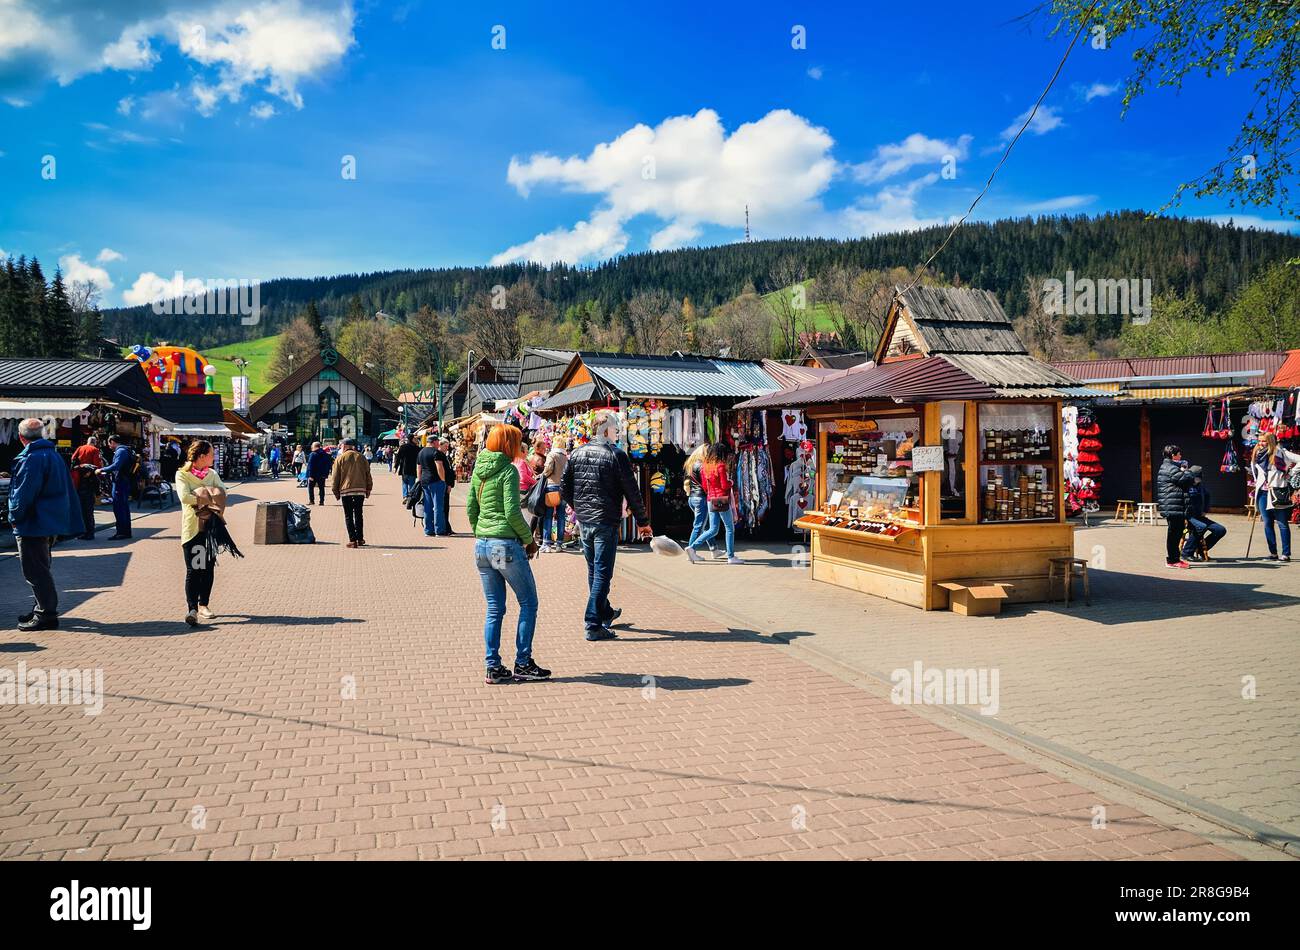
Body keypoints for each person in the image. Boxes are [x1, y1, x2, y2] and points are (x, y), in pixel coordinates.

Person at [466, 423, 549, 685]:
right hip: (504, 544)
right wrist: (529, 540)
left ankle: (493, 666)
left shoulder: (479, 470)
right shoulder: (508, 472)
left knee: (494, 608)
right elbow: (513, 512)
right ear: (507, 444)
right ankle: (523, 662)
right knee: (528, 603)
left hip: (483, 545)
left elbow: (471, 507)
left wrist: (481, 531)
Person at [560, 411, 652, 641]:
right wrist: (642, 522)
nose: (617, 433)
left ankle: (605, 612)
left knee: (594, 570)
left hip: (586, 520)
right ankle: (593, 623)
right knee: (602, 572)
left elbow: (565, 487)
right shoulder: (615, 454)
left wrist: (578, 507)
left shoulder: (577, 453)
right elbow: (632, 490)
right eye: (615, 430)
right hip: (605, 520)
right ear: (607, 430)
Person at [8, 418, 83, 631]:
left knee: (35, 570)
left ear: (21, 437)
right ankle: (42, 608)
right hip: (48, 521)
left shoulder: (31, 458)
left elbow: (24, 494)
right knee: (41, 566)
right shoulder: (53, 454)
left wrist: (14, 516)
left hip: (33, 522)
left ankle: (46, 613)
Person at [176, 440, 229, 625]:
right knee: (194, 569)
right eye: (211, 454)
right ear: (201, 456)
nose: (214, 457)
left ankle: (203, 605)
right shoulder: (182, 475)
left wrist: (199, 495)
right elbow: (184, 496)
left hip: (209, 528)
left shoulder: (212, 474)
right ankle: (192, 608)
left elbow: (223, 493)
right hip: (192, 529)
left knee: (207, 568)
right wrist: (209, 496)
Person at [686, 442, 740, 564]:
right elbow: (724, 485)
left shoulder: (706, 466)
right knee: (729, 528)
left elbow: (705, 486)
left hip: (710, 499)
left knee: (713, 529)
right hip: (721, 499)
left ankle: (692, 547)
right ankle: (731, 556)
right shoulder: (720, 466)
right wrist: (731, 482)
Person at [1250, 432, 1300, 562]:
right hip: (1262, 492)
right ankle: (1273, 553)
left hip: (1277, 491)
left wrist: (1290, 473)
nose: (1261, 443)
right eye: (1260, 441)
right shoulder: (1257, 454)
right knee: (1267, 523)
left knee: (1282, 523)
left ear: (1271, 441)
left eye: (1264, 441)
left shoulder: (1280, 453)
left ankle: (1286, 554)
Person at [1155, 444, 1195, 568]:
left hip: (1173, 505)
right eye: (1179, 454)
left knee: (1175, 533)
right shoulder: (1170, 468)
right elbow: (1186, 480)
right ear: (1173, 455)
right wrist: (1187, 471)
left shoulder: (1168, 466)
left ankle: (1173, 559)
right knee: (1174, 534)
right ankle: (1173, 560)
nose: (1181, 456)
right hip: (1173, 506)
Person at [330, 437, 373, 547]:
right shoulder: (361, 457)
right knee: (359, 514)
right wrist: (368, 488)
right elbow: (368, 474)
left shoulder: (340, 458)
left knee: (348, 515)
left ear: (344, 446)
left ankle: (352, 540)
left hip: (346, 490)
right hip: (360, 489)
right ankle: (360, 538)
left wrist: (335, 491)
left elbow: (335, 477)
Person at [1182, 466, 1226, 562]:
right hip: (1188, 516)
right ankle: (1186, 552)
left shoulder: (1200, 486)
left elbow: (1207, 496)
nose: (1199, 479)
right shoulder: (1185, 485)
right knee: (1201, 527)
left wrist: (1205, 510)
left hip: (1199, 516)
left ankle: (1201, 550)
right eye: (1197, 477)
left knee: (1220, 530)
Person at [682, 443, 718, 559]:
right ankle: (691, 551)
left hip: (692, 497)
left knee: (705, 525)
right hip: (701, 498)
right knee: (699, 526)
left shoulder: (690, 465)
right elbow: (705, 483)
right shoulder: (702, 465)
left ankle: (714, 549)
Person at [96, 434, 135, 539]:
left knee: (119, 508)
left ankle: (121, 532)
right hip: (123, 481)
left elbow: (116, 466)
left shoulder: (120, 451)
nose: (109, 446)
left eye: (109, 443)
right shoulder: (125, 450)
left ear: (112, 441)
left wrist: (102, 469)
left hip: (120, 482)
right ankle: (126, 531)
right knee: (124, 507)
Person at [70, 436, 105, 541]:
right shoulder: (94, 450)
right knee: (88, 510)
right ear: (94, 443)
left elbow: (73, 459)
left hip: (79, 482)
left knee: (82, 509)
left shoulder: (80, 448)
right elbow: (97, 466)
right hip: (89, 482)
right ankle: (89, 533)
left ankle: (82, 532)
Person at [538, 439, 569, 551]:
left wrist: (542, 475)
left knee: (548, 515)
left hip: (552, 487)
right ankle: (559, 543)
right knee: (561, 516)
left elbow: (548, 469)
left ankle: (547, 544)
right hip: (563, 489)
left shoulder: (552, 455)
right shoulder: (565, 457)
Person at [416, 436, 449, 536]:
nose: (439, 443)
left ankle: (428, 530)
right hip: (436, 481)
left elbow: (418, 468)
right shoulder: (436, 452)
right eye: (438, 442)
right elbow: (439, 466)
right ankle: (439, 530)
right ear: (434, 442)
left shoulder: (421, 452)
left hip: (425, 481)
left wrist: (420, 479)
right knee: (438, 506)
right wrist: (443, 480)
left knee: (428, 506)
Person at [305, 441, 333, 505]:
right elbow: (328, 465)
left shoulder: (313, 454)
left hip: (313, 474)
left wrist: (310, 475)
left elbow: (310, 465)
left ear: (315, 446)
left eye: (312, 446)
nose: (311, 447)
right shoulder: (325, 454)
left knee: (310, 488)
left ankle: (312, 501)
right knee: (321, 488)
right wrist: (326, 474)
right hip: (322, 474)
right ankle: (321, 501)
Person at [394, 434, 420, 501]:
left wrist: (396, 467)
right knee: (412, 483)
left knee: (404, 483)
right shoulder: (416, 448)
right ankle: (410, 497)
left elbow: (398, 457)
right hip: (413, 469)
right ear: (412, 439)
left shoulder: (403, 447)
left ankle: (405, 496)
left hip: (404, 468)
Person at [439, 437, 457, 535]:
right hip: (444, 484)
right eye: (445, 446)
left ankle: (447, 527)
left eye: (447, 446)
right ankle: (446, 527)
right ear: (440, 445)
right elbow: (443, 471)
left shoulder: (444, 456)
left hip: (446, 484)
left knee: (446, 507)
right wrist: (446, 484)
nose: (447, 448)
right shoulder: (439, 456)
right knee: (444, 506)